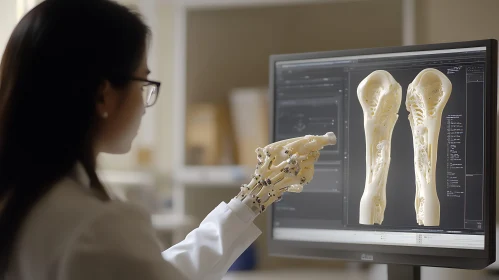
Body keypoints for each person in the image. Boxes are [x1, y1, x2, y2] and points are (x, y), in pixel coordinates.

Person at [0, 0, 334, 279]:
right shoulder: (95, 228)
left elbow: (153, 271)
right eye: (143, 83)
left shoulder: (26, 199)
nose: (145, 105)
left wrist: (249, 202)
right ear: (103, 96)